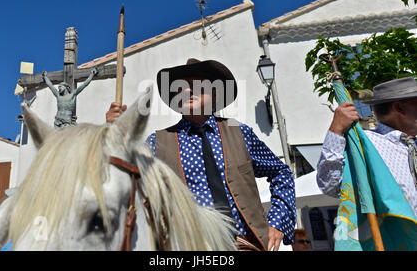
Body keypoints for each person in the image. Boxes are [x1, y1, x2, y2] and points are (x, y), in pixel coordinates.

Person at [106, 58, 296, 251]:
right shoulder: (158, 141)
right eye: (181, 88)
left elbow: (281, 172)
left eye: (196, 85)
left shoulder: (239, 132)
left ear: (214, 94)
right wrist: (117, 134)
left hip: (248, 245)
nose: (187, 91)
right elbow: (127, 177)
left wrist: (278, 222)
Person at [317, 77, 417, 215]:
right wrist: (336, 130)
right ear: (399, 108)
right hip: (397, 234)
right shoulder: (366, 145)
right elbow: (330, 185)